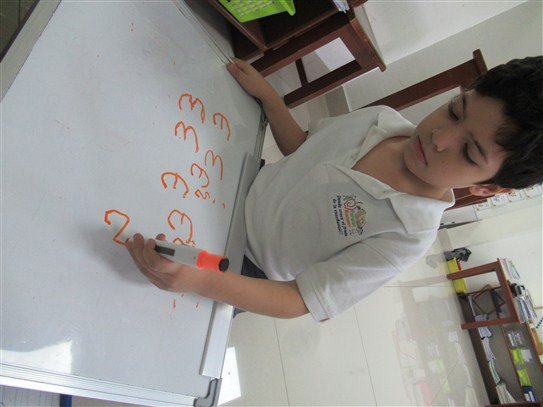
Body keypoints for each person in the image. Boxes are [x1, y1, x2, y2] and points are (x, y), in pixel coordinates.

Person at [126, 56, 543, 322]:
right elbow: (305, 149)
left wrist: (200, 282)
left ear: (487, 188)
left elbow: (298, 299)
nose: (439, 138)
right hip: (230, 187)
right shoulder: (381, 119)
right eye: (454, 111)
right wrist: (269, 97)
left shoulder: (408, 236)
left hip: (236, 272)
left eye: (468, 152)